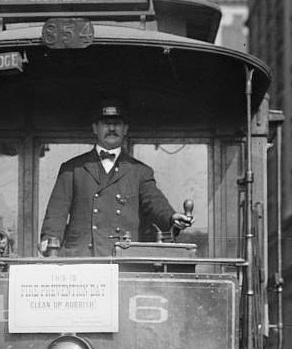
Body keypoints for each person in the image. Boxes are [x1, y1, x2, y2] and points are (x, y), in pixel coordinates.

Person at [39, 99, 193, 257]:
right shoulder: (72, 169)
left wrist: (171, 217)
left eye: (117, 124)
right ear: (95, 128)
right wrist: (49, 241)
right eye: (106, 124)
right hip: (81, 257)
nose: (112, 128)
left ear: (125, 129)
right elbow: (56, 213)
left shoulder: (140, 171)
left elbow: (155, 202)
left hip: (123, 258)